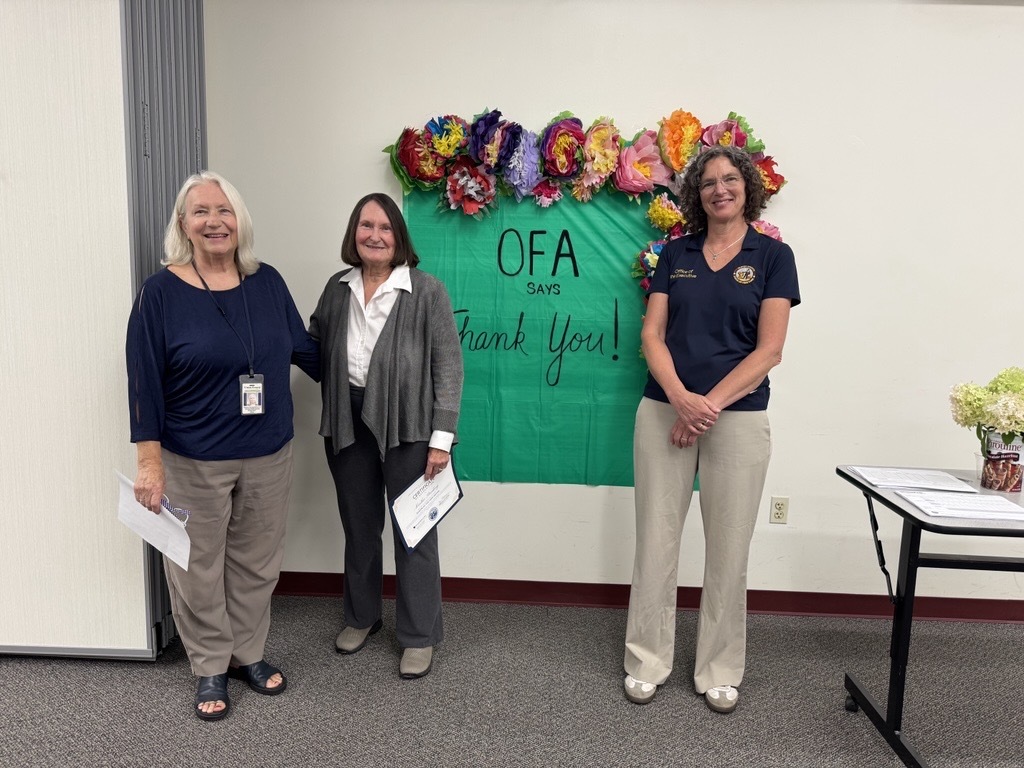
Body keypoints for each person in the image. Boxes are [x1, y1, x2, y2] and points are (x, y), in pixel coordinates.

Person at [126, 171, 319, 721]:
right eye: (201, 212)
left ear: (240, 221)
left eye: (224, 210)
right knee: (197, 566)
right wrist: (149, 463)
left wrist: (373, 367)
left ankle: (247, 653)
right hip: (193, 456)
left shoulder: (267, 281)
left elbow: (305, 350)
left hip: (268, 450)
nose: (214, 222)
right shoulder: (160, 293)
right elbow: (144, 381)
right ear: (183, 225)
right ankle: (210, 663)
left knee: (258, 562)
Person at [622, 145, 800, 713]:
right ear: (695, 196)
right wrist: (680, 399)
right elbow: (652, 335)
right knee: (655, 539)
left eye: (729, 179)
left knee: (729, 546)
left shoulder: (773, 256)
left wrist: (706, 408)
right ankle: (646, 659)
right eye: (707, 183)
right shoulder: (674, 253)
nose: (719, 189)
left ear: (747, 186)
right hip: (663, 410)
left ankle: (720, 668)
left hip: (737, 417)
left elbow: (769, 350)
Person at [310, 192, 463, 680]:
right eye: (365, 225)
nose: (374, 235)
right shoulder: (337, 288)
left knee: (413, 530)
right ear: (353, 233)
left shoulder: (427, 291)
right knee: (359, 526)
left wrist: (441, 439)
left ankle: (419, 635)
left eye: (384, 227)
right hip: (347, 418)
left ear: (399, 236)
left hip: (409, 424)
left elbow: (449, 367)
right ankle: (362, 617)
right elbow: (314, 345)